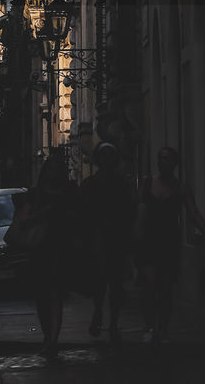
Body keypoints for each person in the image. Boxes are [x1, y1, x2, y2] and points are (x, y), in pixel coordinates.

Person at [136, 146, 205, 345]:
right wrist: (135, 236)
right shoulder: (147, 184)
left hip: (169, 239)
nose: (164, 163)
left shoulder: (180, 187)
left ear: (175, 163)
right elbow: (139, 210)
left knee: (165, 287)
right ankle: (149, 325)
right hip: (149, 239)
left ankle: (162, 328)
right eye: (161, 159)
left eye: (168, 159)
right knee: (149, 283)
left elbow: (193, 212)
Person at [18, 152, 80, 359]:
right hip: (39, 249)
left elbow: (78, 218)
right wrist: (46, 212)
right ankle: (48, 336)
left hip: (60, 249)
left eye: (57, 170)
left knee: (54, 295)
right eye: (51, 169)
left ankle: (52, 340)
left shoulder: (69, 192)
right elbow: (24, 221)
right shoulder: (34, 194)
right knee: (42, 297)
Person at [79, 142, 135, 345]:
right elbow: (83, 215)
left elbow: (130, 211)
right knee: (102, 283)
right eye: (104, 157)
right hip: (99, 239)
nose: (107, 161)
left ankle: (111, 322)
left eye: (110, 156)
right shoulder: (91, 185)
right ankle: (100, 315)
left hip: (115, 239)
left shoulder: (121, 184)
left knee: (115, 284)